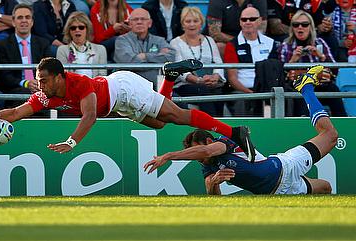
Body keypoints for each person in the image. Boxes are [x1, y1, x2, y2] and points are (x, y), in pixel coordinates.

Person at [0, 57, 256, 162]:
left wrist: (72, 141)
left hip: (123, 89)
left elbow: (90, 115)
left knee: (177, 116)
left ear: (60, 76)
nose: (41, 86)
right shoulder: (45, 96)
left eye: (45, 80)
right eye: (39, 81)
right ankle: (169, 77)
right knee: (159, 124)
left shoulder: (79, 83)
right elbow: (17, 113)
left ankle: (235, 131)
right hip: (118, 103)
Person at [144, 65, 336, 195]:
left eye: (198, 154)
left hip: (286, 166)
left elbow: (206, 151)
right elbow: (212, 195)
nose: (200, 159)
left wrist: (169, 156)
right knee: (326, 188)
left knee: (330, 135)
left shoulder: (225, 142)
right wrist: (214, 183)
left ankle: (306, 88)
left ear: (210, 141)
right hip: (276, 191)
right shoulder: (207, 164)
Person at [278, 10, 347, 117]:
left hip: (319, 84)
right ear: (292, 28)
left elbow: (335, 70)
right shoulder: (286, 45)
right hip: (296, 86)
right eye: (296, 25)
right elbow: (279, 74)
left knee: (333, 89)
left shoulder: (320, 42)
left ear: (311, 27)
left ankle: (343, 123)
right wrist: (292, 60)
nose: (300, 27)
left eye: (304, 24)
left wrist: (321, 56)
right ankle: (303, 126)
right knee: (299, 92)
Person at [170, 6, 226, 116]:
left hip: (210, 83)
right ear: (182, 24)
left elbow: (218, 62)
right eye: (188, 21)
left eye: (195, 21)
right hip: (185, 85)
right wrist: (199, 80)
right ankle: (212, 124)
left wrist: (215, 77)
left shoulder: (209, 41)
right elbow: (181, 70)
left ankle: (221, 124)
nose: (192, 24)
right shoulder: (175, 43)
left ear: (201, 23)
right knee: (203, 90)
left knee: (218, 92)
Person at [223, 7, 279, 116]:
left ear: (259, 21)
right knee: (242, 101)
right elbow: (232, 78)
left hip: (266, 90)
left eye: (252, 19)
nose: (248, 22)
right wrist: (250, 93)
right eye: (244, 19)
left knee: (285, 97)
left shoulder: (270, 43)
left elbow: (274, 72)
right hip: (243, 91)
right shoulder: (232, 45)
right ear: (240, 22)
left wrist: (261, 94)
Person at [0, 4, 52, 97]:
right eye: (20, 17)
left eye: (27, 17)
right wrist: (26, 83)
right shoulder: (2, 45)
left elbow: (48, 70)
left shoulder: (43, 43)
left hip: (41, 88)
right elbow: (5, 76)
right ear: (13, 22)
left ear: (32, 22)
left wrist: (39, 83)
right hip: (15, 89)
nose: (24, 20)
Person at [114, 8, 176, 87]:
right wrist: (156, 61)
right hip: (131, 88)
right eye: (135, 19)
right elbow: (128, 62)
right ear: (129, 23)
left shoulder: (159, 40)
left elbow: (171, 57)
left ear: (149, 23)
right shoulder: (121, 40)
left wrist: (145, 56)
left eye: (143, 19)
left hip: (156, 89)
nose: (139, 22)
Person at [57, 11, 107, 77]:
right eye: (73, 28)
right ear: (69, 31)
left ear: (87, 29)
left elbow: (102, 76)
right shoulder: (62, 50)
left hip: (94, 86)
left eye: (81, 27)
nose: (77, 30)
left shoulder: (100, 49)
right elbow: (63, 76)